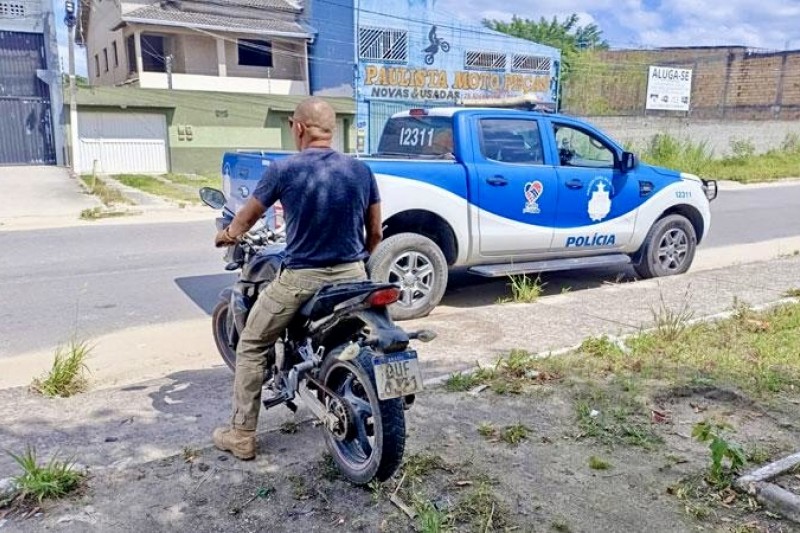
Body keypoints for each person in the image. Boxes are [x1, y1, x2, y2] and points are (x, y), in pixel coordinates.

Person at [211, 97, 383, 461]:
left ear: (300, 128)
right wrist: (359, 263)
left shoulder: (283, 169)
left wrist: (227, 234)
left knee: (253, 343)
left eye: (292, 126)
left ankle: (242, 434)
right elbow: (376, 234)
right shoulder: (361, 171)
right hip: (354, 276)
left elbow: (246, 219)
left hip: (303, 277)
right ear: (331, 129)